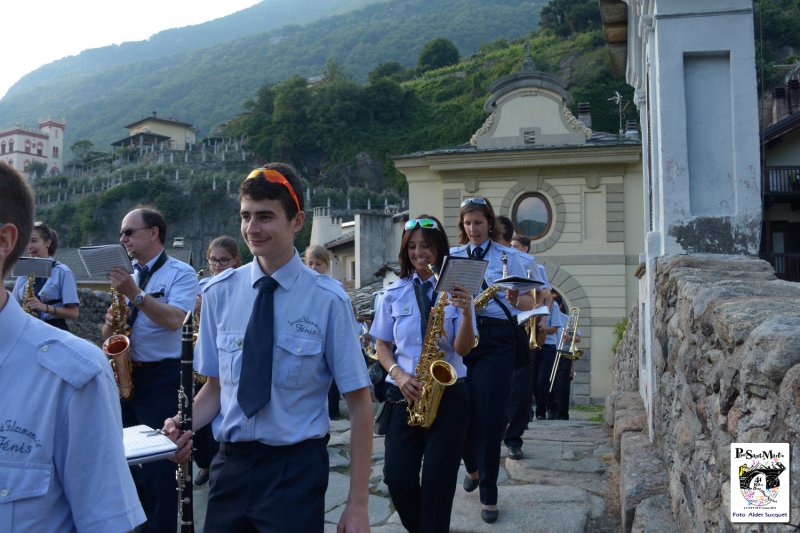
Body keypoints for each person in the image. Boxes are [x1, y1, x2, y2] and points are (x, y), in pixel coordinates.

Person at [165, 163, 373, 532]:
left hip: (294, 472)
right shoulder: (218, 294)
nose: (251, 228)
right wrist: (183, 425)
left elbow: (359, 403)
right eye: (246, 216)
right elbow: (215, 388)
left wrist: (357, 504)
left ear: (297, 221)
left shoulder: (328, 301)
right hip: (229, 467)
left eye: (265, 216)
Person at [0, 161, 146, 532]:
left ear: (5, 242)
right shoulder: (24, 277)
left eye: (130, 233)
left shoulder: (73, 377)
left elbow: (72, 309)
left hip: (53, 339)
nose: (125, 239)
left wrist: (43, 308)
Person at [370, 215, 476, 533]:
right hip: (406, 393)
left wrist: (468, 310)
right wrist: (399, 375)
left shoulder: (457, 289)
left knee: (437, 483)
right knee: (397, 479)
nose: (419, 253)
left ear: (439, 249)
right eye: (413, 247)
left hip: (450, 393)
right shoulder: (394, 292)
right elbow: (382, 346)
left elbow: (464, 348)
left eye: (426, 246)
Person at [101, 206, 198, 532]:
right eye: (121, 233)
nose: (122, 239)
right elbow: (111, 333)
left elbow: (176, 320)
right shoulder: (127, 274)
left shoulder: (180, 272)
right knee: (126, 467)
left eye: (129, 232)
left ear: (153, 232)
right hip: (127, 377)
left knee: (159, 473)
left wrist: (135, 294)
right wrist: (111, 325)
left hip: (161, 377)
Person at [450, 197, 540, 524]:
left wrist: (519, 297)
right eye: (467, 223)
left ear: (490, 223)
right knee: (458, 410)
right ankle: (472, 466)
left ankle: (488, 488)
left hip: (497, 338)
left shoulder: (509, 257)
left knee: (489, 416)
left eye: (478, 222)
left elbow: (530, 299)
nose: (473, 229)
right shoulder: (454, 257)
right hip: (461, 333)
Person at [194, 235, 242, 487]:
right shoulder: (204, 285)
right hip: (204, 358)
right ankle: (204, 464)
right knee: (203, 418)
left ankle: (213, 464)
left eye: (223, 260)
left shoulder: (240, 288)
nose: (217, 265)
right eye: (213, 260)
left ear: (235, 260)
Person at [503, 233, 552, 459]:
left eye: (515, 245)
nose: (512, 248)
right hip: (497, 327)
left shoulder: (532, 265)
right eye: (510, 244)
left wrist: (541, 317)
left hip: (523, 326)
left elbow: (545, 294)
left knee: (521, 385)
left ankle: (514, 437)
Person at [11, 221, 79, 330]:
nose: (29, 246)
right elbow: (14, 306)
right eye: (26, 241)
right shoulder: (23, 271)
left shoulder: (62, 272)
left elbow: (74, 313)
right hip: (28, 329)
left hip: (54, 330)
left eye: (33, 241)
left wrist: (43, 307)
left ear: (47, 243)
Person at [304, 244, 344, 419]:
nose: (314, 267)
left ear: (326, 265)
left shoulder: (335, 287)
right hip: (308, 337)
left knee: (331, 381)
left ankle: (333, 412)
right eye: (310, 263)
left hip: (329, 336)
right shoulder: (301, 286)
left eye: (318, 264)